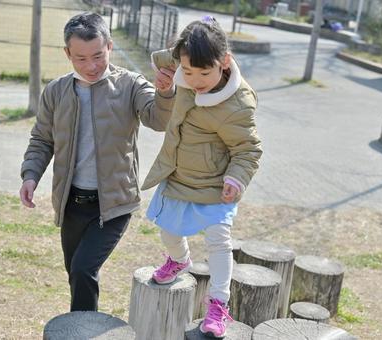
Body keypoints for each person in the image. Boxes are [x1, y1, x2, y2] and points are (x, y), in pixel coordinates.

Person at [19, 12, 176, 312]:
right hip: (71, 205)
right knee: (76, 274)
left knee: (82, 270)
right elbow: (41, 140)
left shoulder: (130, 84)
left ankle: (80, 330)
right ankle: (84, 323)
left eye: (98, 56)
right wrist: (30, 175)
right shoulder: (55, 92)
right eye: (80, 58)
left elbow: (159, 118)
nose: (90, 66)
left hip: (114, 205)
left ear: (110, 47)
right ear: (67, 53)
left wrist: (166, 92)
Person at [141, 16, 262, 338]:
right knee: (168, 232)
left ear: (225, 62)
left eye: (204, 73)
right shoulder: (185, 64)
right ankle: (179, 260)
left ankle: (218, 304)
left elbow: (248, 150)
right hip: (178, 176)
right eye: (188, 71)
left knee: (219, 243)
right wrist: (170, 70)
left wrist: (235, 180)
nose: (194, 80)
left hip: (215, 185)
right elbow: (159, 59)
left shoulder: (237, 104)